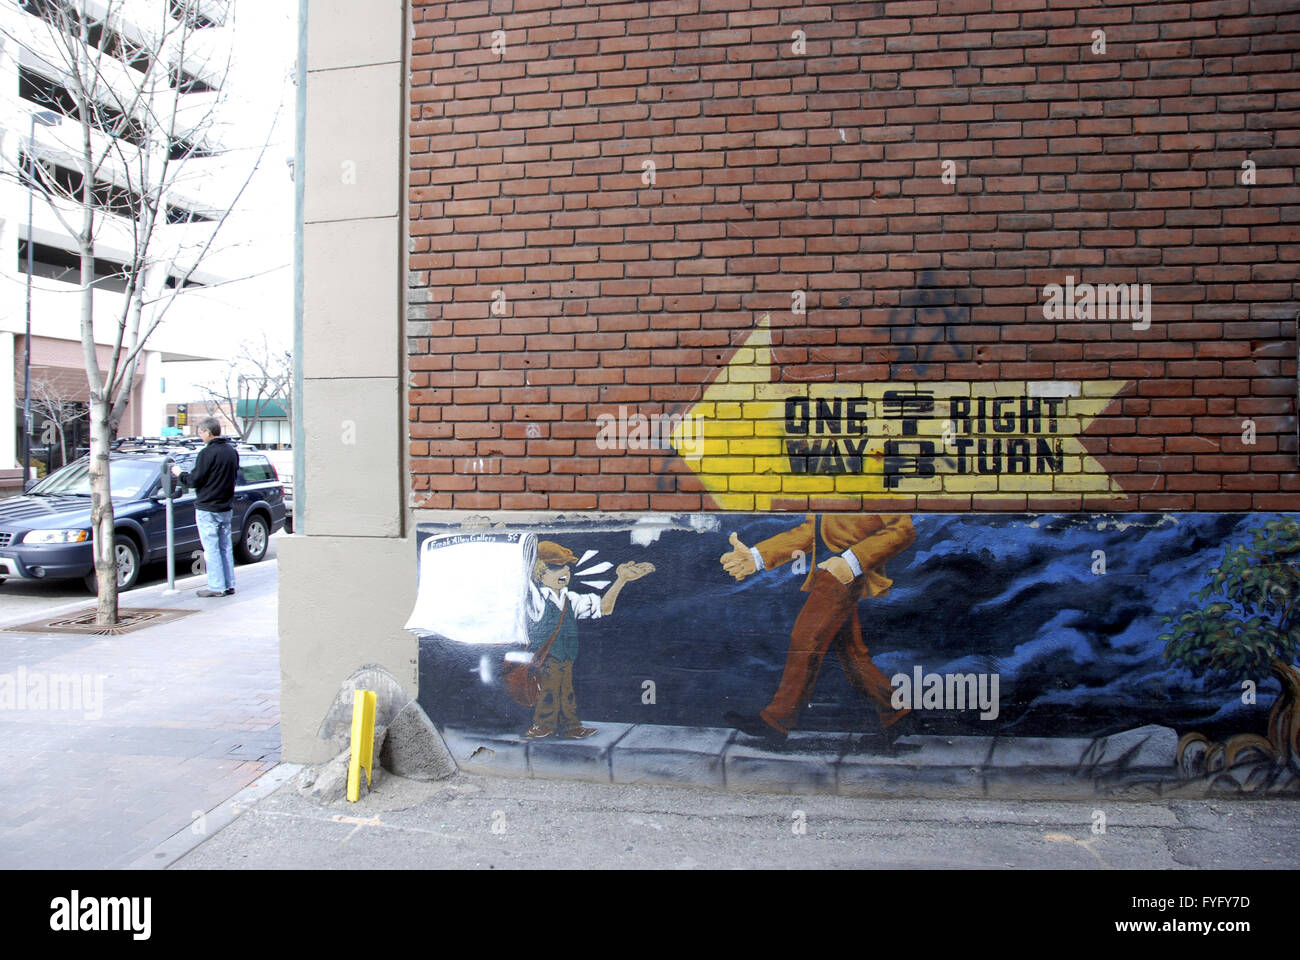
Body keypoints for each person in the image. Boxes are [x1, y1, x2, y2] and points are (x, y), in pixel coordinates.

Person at [719, 514, 916, 739]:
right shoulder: (835, 486)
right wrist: (757, 556)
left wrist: (851, 562)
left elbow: (903, 529)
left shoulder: (873, 483)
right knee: (852, 655)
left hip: (840, 574)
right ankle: (898, 713)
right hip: (832, 571)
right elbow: (813, 531)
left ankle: (776, 720)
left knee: (805, 640)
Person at [522, 540, 654, 740]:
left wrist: (621, 580)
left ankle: (571, 726)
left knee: (566, 691)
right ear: (538, 572)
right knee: (548, 690)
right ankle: (542, 725)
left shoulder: (570, 599)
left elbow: (604, 608)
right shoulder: (536, 600)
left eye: (566, 566)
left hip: (566, 656)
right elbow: (524, 582)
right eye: (556, 567)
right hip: (547, 657)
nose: (564, 571)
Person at [172, 418, 240, 598]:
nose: (200, 435)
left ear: (208, 432)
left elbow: (194, 480)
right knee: (225, 546)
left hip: (208, 507)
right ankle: (229, 584)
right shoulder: (231, 452)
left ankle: (217, 586)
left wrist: (180, 474)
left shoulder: (207, 453)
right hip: (226, 506)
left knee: (211, 548)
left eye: (200, 432)